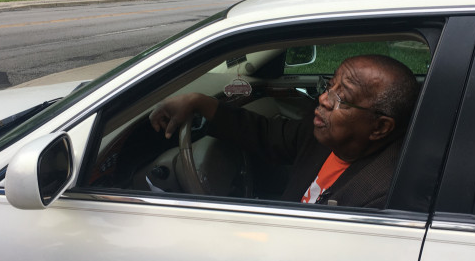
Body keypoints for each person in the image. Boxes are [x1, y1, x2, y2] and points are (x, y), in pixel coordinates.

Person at [150, 54, 420, 208]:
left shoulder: (382, 194)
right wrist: (200, 102)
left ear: (380, 127)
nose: (324, 99)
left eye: (341, 97)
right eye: (329, 86)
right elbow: (266, 134)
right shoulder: (328, 138)